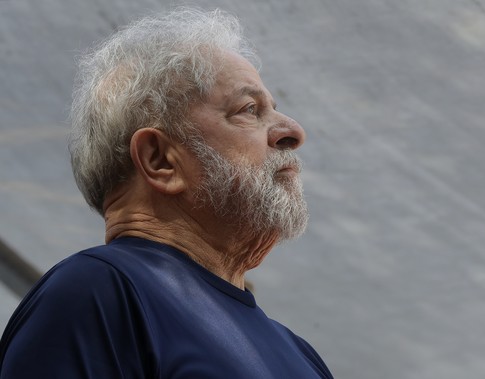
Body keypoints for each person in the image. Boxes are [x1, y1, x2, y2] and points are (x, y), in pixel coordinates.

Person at [0, 8, 334, 379]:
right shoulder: (98, 293)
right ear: (160, 160)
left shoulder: (302, 355)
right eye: (249, 110)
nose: (293, 130)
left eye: (275, 109)